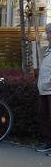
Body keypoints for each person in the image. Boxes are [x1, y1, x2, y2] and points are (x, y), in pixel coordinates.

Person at [36, 23, 51, 154]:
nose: (46, 34)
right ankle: (47, 142)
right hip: (44, 89)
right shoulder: (48, 48)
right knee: (44, 116)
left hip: (49, 88)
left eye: (48, 32)